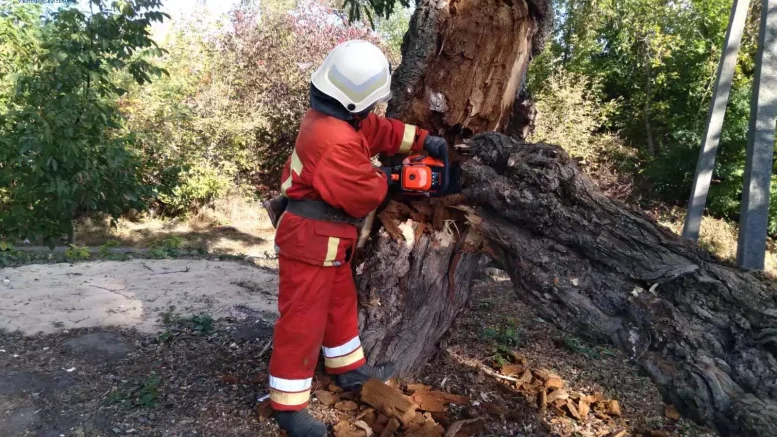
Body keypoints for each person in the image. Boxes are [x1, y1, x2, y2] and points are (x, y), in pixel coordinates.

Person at [267, 40, 449, 436]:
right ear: (357, 99)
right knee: (302, 324)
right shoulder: (330, 139)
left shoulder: (338, 117)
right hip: (310, 241)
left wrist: (423, 141)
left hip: (330, 242)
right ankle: (288, 406)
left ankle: (347, 369)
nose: (372, 111)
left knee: (339, 308)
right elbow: (362, 193)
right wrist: (396, 179)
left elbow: (378, 130)